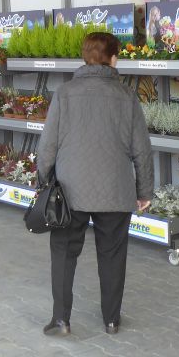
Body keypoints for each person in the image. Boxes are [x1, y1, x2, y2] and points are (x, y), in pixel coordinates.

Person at [36, 32, 154, 336]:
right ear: (113, 59)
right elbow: (142, 149)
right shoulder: (127, 96)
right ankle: (111, 320)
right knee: (112, 255)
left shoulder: (64, 93)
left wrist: (43, 179)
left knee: (64, 252)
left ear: (85, 57)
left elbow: (48, 145)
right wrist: (144, 191)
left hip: (70, 191)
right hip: (115, 189)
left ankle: (61, 319)